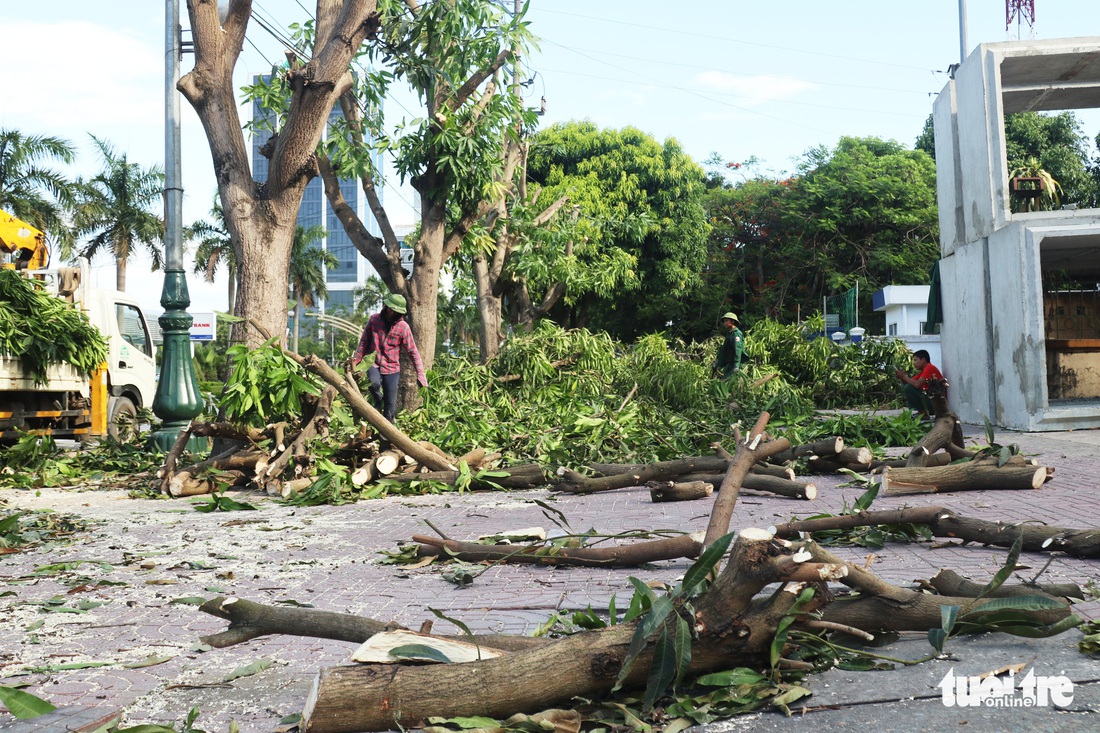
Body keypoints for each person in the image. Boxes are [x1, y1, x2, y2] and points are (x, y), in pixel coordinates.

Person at [351, 293, 428, 422]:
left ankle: (388, 432)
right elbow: (363, 342)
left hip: (392, 368)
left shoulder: (403, 328)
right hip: (373, 363)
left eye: (395, 311)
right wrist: (356, 361)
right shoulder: (374, 320)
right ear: (386, 307)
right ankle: (378, 401)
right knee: (374, 384)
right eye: (390, 309)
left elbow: (413, 352)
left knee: (390, 404)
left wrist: (420, 374)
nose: (391, 312)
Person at [895, 349, 944, 419]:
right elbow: (910, 383)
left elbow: (917, 384)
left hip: (936, 403)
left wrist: (904, 376)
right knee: (908, 387)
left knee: (908, 388)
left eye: (915, 360)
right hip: (931, 401)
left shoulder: (930, 368)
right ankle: (922, 412)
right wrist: (902, 378)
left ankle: (923, 413)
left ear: (923, 360)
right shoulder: (923, 371)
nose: (914, 363)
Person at [713, 312, 744, 377]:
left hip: (733, 365)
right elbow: (724, 350)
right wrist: (718, 363)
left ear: (733, 321)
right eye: (724, 321)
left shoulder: (736, 334)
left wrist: (736, 366)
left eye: (727, 321)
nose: (725, 323)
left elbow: (738, 350)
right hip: (728, 364)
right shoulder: (730, 334)